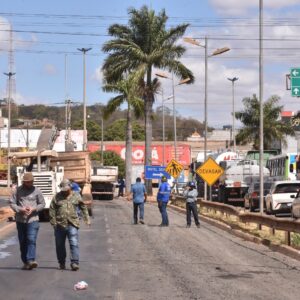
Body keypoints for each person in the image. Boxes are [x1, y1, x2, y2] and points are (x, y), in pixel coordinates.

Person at [49, 178, 90, 271]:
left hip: (72, 224)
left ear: (70, 188)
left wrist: (87, 219)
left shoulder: (77, 196)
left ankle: (74, 263)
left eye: (66, 189)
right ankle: (61, 263)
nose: (65, 191)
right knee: (59, 245)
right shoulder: (57, 197)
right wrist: (54, 223)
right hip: (59, 225)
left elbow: (83, 207)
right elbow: (52, 210)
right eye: (63, 189)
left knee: (74, 243)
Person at [9, 172, 45, 270]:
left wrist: (33, 209)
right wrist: (21, 209)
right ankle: (26, 262)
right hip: (20, 220)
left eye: (30, 182)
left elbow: (42, 204)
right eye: (27, 182)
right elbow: (12, 203)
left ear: (33, 181)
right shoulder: (17, 191)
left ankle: (31, 260)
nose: (29, 183)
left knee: (31, 239)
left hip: (33, 220)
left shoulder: (37, 191)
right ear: (24, 182)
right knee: (23, 241)